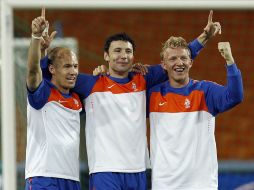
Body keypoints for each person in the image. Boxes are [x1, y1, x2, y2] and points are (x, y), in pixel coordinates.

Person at [40, 10, 221, 189]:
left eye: (128, 51)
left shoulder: (142, 78)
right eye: (117, 51)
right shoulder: (90, 83)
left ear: (133, 56)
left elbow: (177, 60)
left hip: (140, 170)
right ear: (106, 56)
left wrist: (205, 37)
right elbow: (51, 76)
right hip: (105, 171)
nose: (123, 55)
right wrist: (41, 51)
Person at [148, 37, 243, 189]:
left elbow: (235, 96)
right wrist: (105, 73)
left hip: (201, 184)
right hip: (164, 185)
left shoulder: (205, 91)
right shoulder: (152, 96)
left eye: (184, 58)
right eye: (173, 58)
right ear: (163, 65)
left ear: (190, 62)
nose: (179, 63)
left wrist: (229, 61)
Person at [25, 8, 82, 190]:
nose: (73, 71)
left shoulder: (76, 99)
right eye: (67, 66)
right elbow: (34, 70)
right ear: (52, 69)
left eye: (75, 66)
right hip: (43, 177)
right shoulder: (42, 94)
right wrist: (35, 38)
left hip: (71, 178)